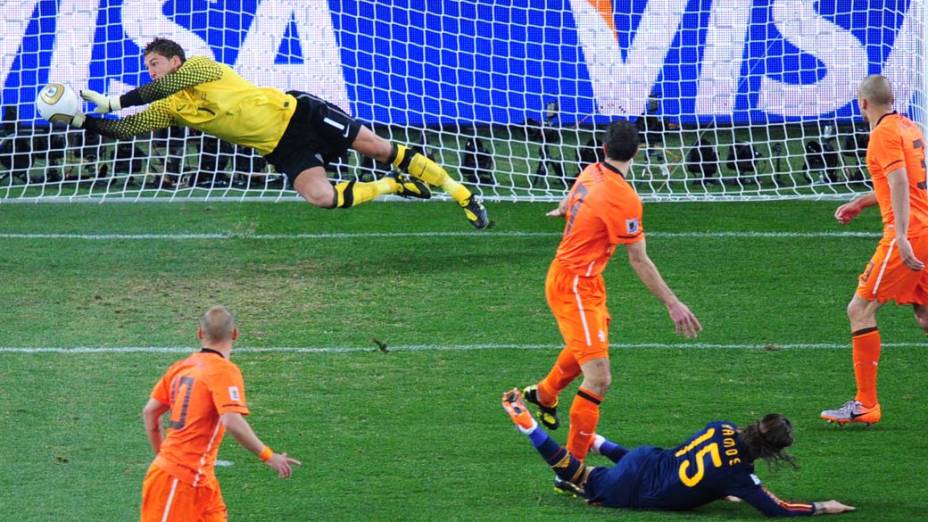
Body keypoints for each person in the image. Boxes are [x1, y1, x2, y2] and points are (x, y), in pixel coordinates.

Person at [66, 38, 490, 229]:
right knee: (321, 198)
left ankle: (463, 194)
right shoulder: (172, 107)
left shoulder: (202, 66)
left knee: (381, 147)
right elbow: (129, 129)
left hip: (299, 114)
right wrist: (82, 120)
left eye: (155, 63)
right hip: (280, 146)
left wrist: (110, 100)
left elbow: (152, 92)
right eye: (148, 67)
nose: (151, 72)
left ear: (174, 61)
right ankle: (391, 187)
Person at [522, 120, 701, 467]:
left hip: (580, 281)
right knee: (599, 377)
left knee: (591, 349)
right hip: (574, 285)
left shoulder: (590, 171)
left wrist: (564, 209)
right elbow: (639, 259)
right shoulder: (624, 198)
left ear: (604, 150)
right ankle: (571, 470)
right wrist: (672, 303)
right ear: (636, 152)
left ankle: (544, 394)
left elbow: (572, 198)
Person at [502, 389, 855, 517]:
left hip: (644, 458)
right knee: (578, 476)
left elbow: (707, 462)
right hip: (639, 489)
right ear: (771, 451)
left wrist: (724, 488)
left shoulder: (721, 427)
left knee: (652, 464)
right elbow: (777, 509)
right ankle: (529, 427)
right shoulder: (742, 477)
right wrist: (823, 506)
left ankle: (595, 439)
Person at [821, 75, 928, 426]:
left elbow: (899, 182)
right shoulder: (909, 126)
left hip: (908, 234)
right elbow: (909, 183)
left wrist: (899, 235)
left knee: (860, 308)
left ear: (863, 103)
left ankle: (866, 404)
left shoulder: (882, 134)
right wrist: (864, 202)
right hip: (924, 228)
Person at [140, 305, 300, 521]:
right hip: (177, 482)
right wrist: (269, 456)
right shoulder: (224, 370)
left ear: (199, 334)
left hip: (200, 481)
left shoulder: (181, 367)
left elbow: (151, 413)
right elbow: (232, 420)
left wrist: (162, 455)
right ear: (235, 334)